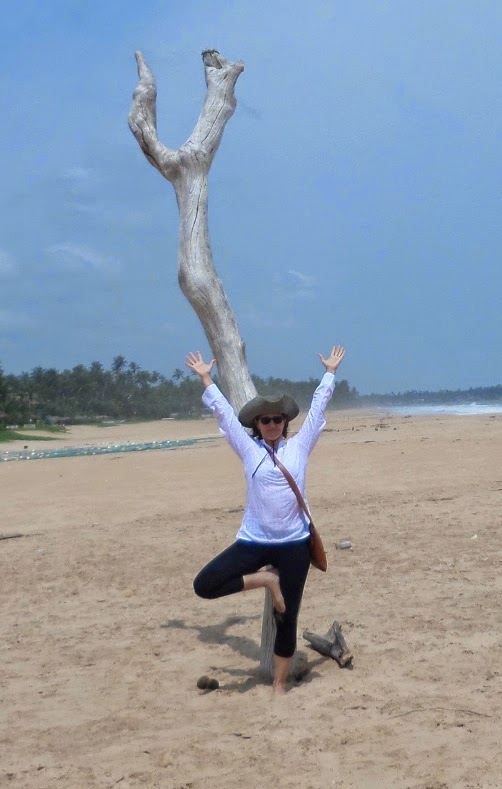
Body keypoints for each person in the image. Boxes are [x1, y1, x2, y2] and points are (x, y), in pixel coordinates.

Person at [185, 345, 346, 694]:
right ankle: (266, 581)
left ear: (285, 423)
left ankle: (278, 685)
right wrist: (206, 379)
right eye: (265, 420)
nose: (272, 424)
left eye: (277, 419)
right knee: (205, 584)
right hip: (254, 542)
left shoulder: (299, 447)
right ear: (256, 425)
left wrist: (330, 373)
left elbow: (318, 409)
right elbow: (224, 415)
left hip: (294, 545)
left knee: (286, 617)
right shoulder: (249, 449)